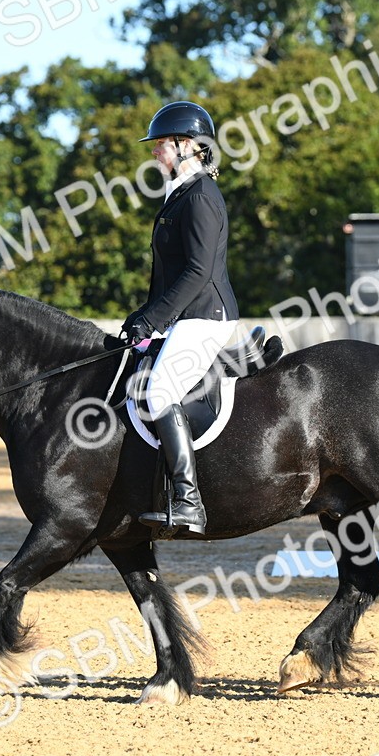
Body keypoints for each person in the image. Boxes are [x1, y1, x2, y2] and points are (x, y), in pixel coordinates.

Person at [122, 101, 239, 537]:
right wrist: (143, 315)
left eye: (160, 144)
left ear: (187, 145)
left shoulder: (202, 196)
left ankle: (188, 499)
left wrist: (154, 319)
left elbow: (198, 271)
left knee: (158, 390)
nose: (154, 152)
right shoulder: (180, 193)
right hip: (182, 316)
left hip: (205, 315)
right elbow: (168, 272)